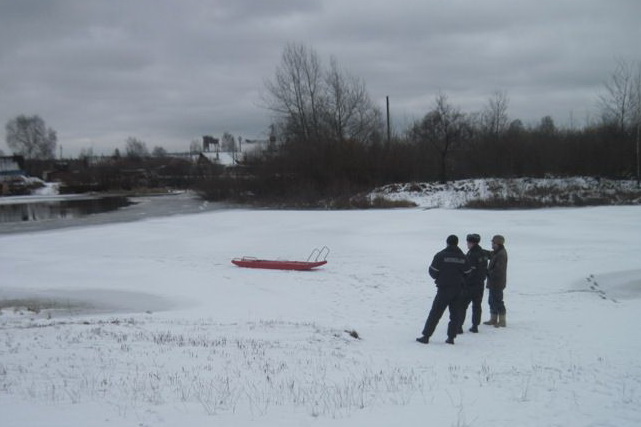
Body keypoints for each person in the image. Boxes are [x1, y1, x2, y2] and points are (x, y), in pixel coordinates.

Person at [416, 235, 472, 345]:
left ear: (447, 243)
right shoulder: (463, 257)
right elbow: (468, 272)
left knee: (435, 313)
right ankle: (451, 338)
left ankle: (426, 336)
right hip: (458, 289)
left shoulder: (440, 255)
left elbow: (432, 271)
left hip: (444, 288)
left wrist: (440, 278)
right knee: (455, 315)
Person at [457, 233, 490, 334]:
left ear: (472, 243)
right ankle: (475, 326)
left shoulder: (472, 254)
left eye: (468, 242)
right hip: (480, 283)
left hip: (470, 284)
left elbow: (469, 271)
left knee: (462, 305)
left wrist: (463, 281)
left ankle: (459, 326)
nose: (467, 244)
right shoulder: (483, 253)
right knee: (477, 306)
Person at [483, 234, 508, 327]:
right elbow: (490, 254)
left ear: (497, 243)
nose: (492, 244)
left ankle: (502, 321)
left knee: (497, 301)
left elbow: (498, 270)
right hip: (493, 282)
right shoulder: (497, 252)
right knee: (491, 301)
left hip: (497, 282)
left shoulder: (501, 254)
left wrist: (487, 272)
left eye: (493, 242)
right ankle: (493, 319)